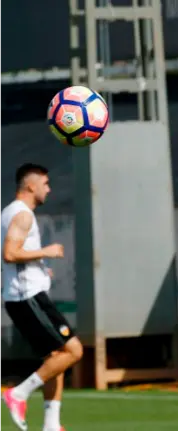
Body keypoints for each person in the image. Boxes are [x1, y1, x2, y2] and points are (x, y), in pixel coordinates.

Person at [2, 163, 83, 431]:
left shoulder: (9, 213)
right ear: (31, 186)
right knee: (73, 350)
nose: (49, 189)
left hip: (22, 295)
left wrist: (37, 266)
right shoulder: (23, 215)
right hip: (29, 297)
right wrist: (45, 252)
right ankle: (18, 394)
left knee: (55, 357)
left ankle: (51, 425)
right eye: (46, 184)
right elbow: (10, 254)